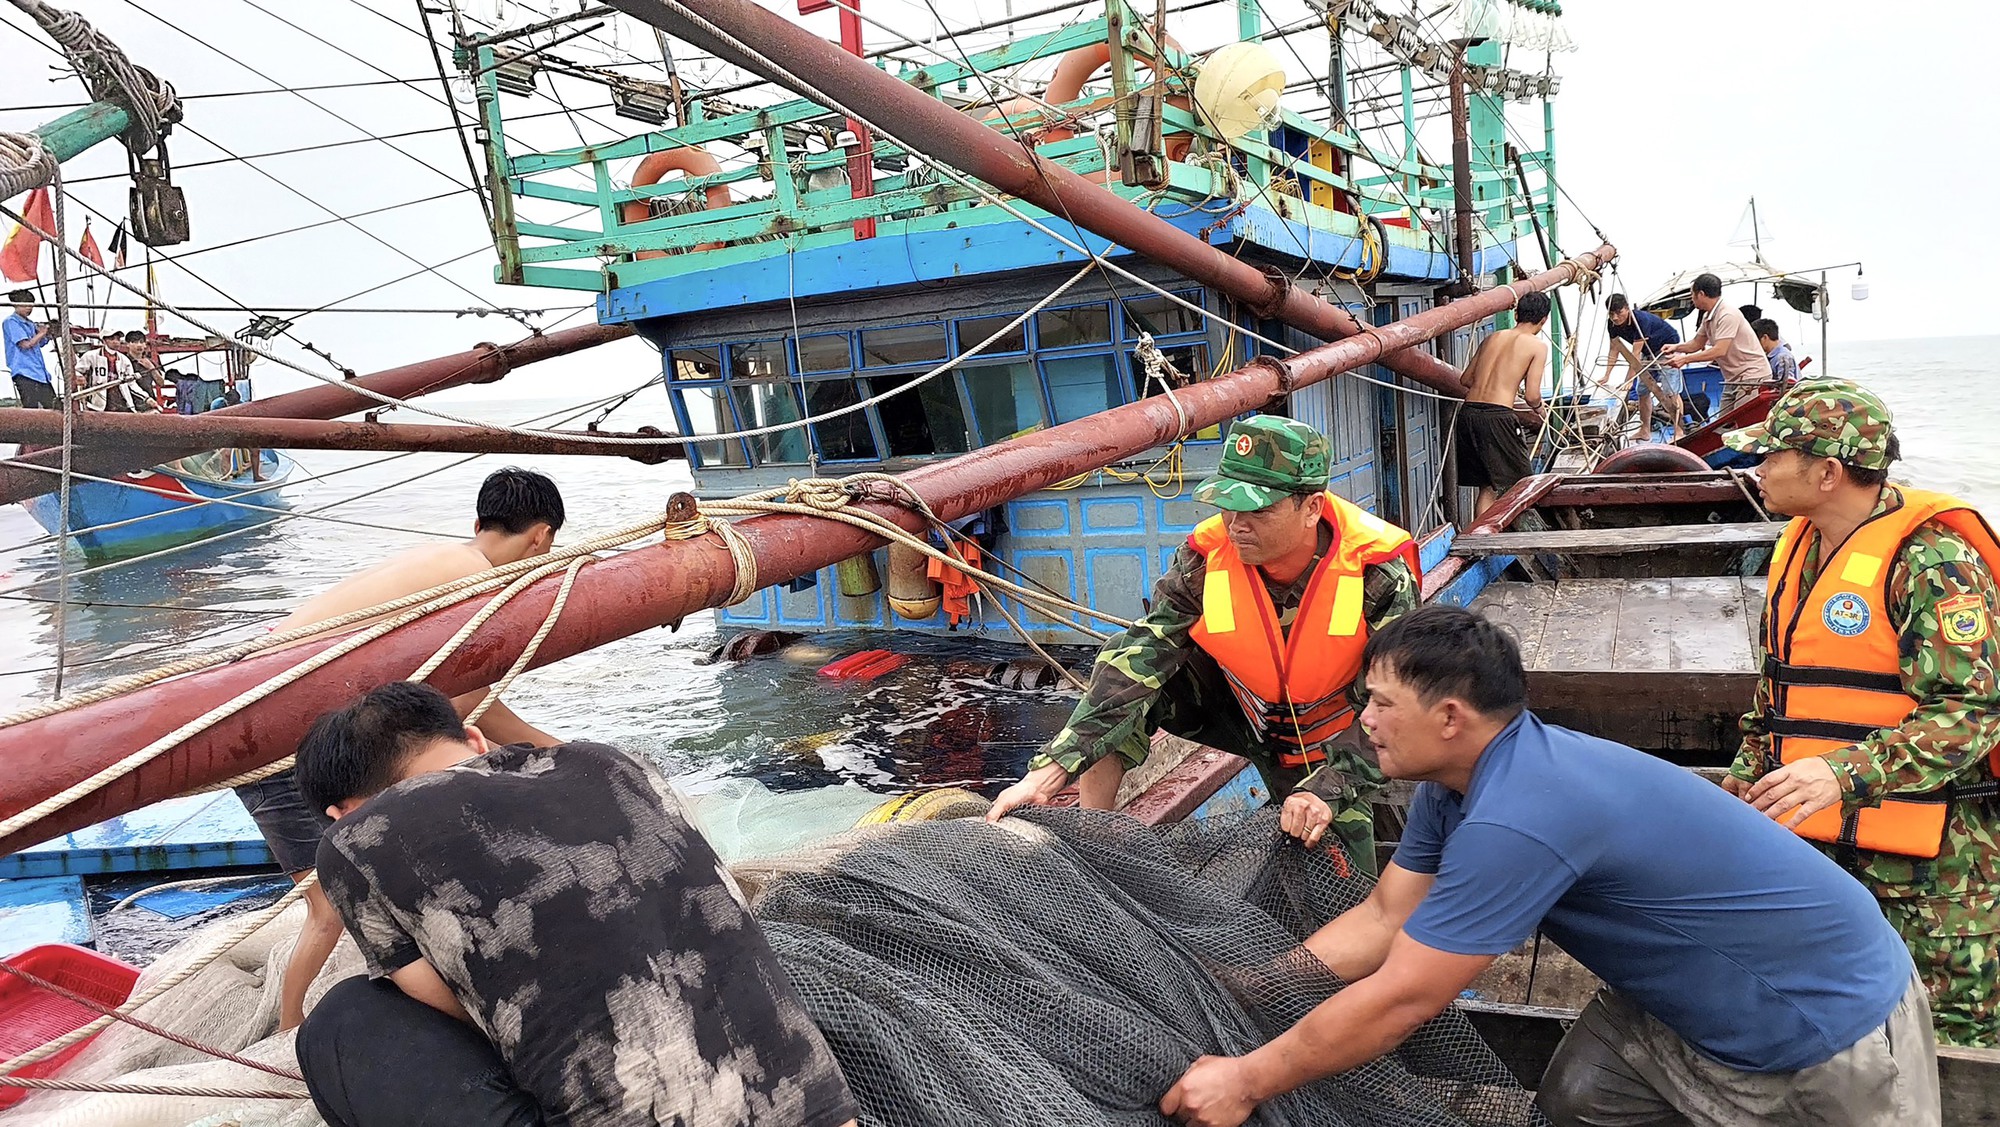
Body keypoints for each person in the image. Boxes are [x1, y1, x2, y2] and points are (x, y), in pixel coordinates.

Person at [1158, 604, 1939, 1127]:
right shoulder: (1455, 780)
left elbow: (1404, 998)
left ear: (1451, 716)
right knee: (1577, 1099)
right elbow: (1383, 918)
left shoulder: (1519, 814)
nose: (1363, 721)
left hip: (1825, 1017)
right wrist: (1259, 988)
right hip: (1673, 1004)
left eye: (1379, 702)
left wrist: (1247, 1079)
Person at [293, 682, 861, 1127]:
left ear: (343, 812)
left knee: (342, 1019)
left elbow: (452, 1006)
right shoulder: (613, 762)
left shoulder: (355, 840)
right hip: (822, 1109)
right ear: (474, 741)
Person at [986, 415, 1420, 875]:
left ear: (1311, 507)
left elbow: (1402, 708)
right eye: (1227, 506)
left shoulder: (1377, 574)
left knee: (1341, 892)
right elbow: (1144, 651)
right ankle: (1099, 841)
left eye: (1257, 511)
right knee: (1125, 659)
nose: (1236, 525)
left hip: (1330, 740)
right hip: (1241, 713)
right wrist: (1050, 771)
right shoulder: (1203, 558)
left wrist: (1327, 789)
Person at [238, 467, 570, 1032]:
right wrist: (563, 758)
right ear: (541, 537)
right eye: (548, 547)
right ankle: (289, 1032)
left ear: (479, 523)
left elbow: (458, 705)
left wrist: (555, 748)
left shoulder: (445, 563)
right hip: (270, 740)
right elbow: (466, 710)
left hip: (259, 715)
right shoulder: (478, 583)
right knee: (326, 913)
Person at [1723, 380, 2000, 1046]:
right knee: (1831, 1036)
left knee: (1947, 1050)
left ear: (1827, 472)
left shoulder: (1933, 561)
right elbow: (1782, 679)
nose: (1755, 469)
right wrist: (1749, 762)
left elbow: (1974, 709)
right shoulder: (1798, 545)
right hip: (1822, 849)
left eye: (1771, 456)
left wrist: (1846, 772)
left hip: (1933, 870)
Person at [1455, 290, 1550, 515]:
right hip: (1497, 417)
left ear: (1516, 314)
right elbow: (1532, 395)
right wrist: (1540, 410)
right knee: (1525, 483)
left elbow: (1465, 379)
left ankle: (1481, 541)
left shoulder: (1492, 338)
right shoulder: (1537, 346)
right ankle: (1521, 541)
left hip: (1468, 414)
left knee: (1487, 486)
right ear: (1543, 320)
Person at [1663, 272, 1767, 411]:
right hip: (1733, 379)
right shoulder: (1708, 316)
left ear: (1701, 294)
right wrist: (1675, 347)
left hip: (1752, 377)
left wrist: (1685, 360)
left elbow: (1719, 350)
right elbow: (1696, 344)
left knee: (1741, 425)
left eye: (1692, 295)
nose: (1692, 299)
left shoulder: (1727, 314)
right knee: (1722, 426)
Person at [1601, 293, 1684, 440]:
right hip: (1647, 350)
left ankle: (1679, 431)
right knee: (1642, 391)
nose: (1615, 317)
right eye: (1611, 314)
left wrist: (1629, 381)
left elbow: (1635, 354)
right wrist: (1607, 374)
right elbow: (1614, 348)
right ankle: (1644, 430)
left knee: (1671, 390)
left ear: (1627, 309)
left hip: (1667, 346)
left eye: (1618, 312)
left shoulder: (1640, 320)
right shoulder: (1612, 324)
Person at [4, 290, 57, 410]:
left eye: (31, 305)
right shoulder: (11, 322)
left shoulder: (30, 324)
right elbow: (25, 344)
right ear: (16, 304)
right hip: (24, 372)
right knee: (31, 408)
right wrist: (42, 332)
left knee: (54, 407)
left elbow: (39, 343)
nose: (29, 308)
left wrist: (49, 334)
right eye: (26, 305)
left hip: (40, 373)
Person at [1755, 318, 1799, 387]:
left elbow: (1787, 385)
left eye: (1755, 340)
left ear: (1765, 337)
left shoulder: (1783, 357)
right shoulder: (1771, 356)